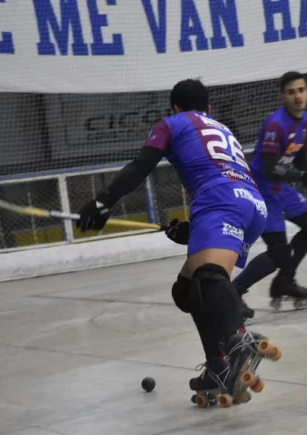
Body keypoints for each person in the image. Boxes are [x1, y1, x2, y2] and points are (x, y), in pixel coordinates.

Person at [75, 79, 278, 405]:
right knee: (187, 291)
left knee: (210, 276)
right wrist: (193, 230)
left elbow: (141, 165)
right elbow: (218, 168)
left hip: (219, 201)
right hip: (253, 206)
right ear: (209, 109)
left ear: (175, 108)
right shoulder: (222, 127)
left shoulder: (172, 123)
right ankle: (217, 367)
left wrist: (102, 202)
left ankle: (237, 341)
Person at [218, 71, 307, 317]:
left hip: (282, 188)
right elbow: (269, 167)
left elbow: (304, 161)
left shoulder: (306, 121)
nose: (297, 96)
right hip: (261, 191)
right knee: (278, 252)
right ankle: (234, 292)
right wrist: (302, 178)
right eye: (291, 92)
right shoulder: (275, 124)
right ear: (282, 96)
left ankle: (285, 280)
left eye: (301, 90)